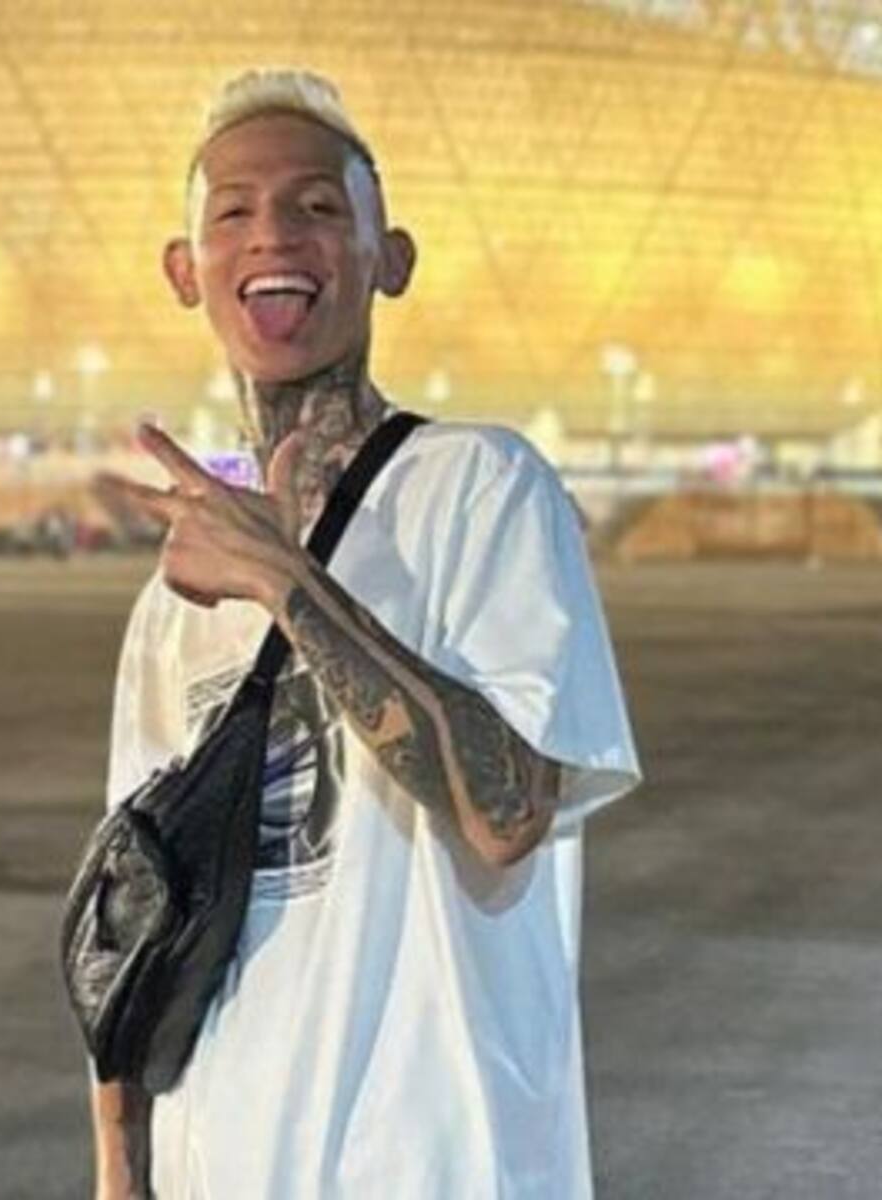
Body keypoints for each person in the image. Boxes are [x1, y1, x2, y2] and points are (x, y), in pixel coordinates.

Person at [90, 68, 641, 1200]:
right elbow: (133, 912)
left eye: (317, 206)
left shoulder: (480, 489)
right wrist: (120, 1172)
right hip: (218, 1162)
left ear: (390, 258)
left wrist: (290, 582)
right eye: (233, 211)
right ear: (185, 271)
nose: (272, 234)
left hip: (437, 1161)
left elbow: (508, 814)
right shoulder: (174, 600)